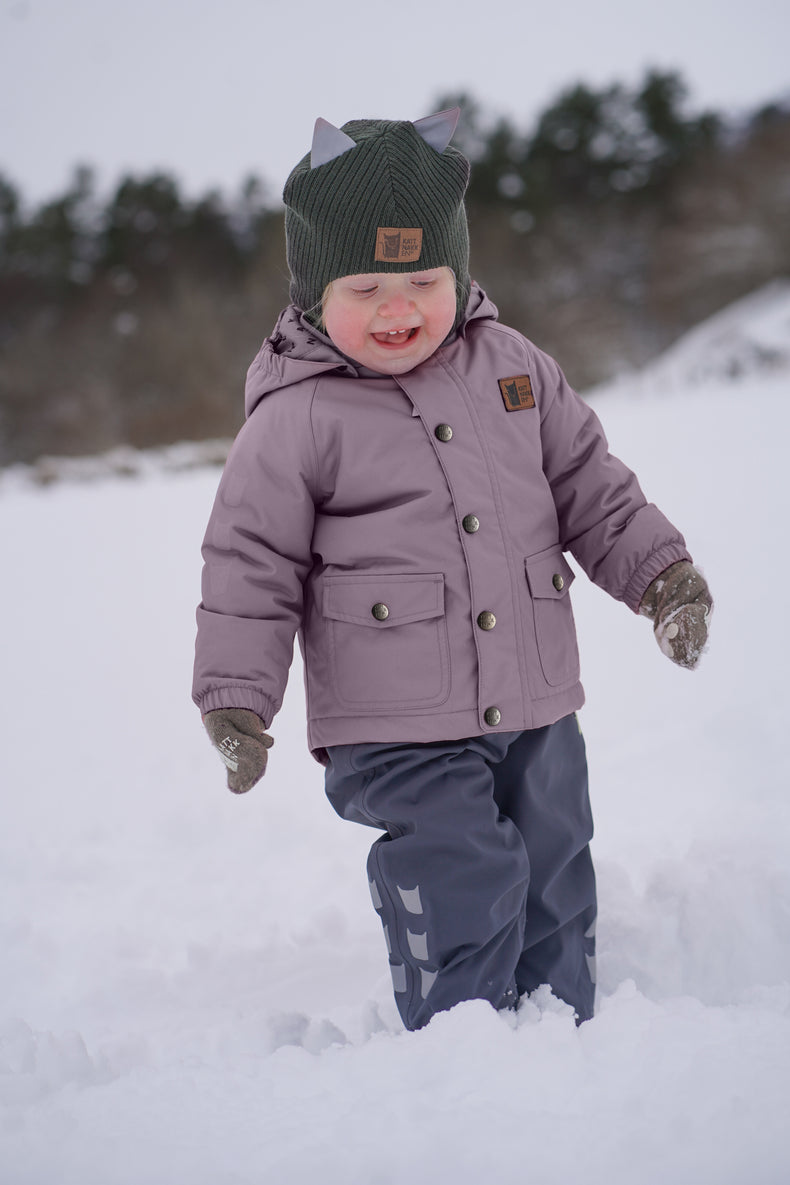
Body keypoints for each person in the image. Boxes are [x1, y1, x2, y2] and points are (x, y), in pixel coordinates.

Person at [192, 109, 712, 1031]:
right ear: (315, 292)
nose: (400, 311)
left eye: (424, 280)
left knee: (554, 860)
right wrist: (237, 698)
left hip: (537, 694)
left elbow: (592, 487)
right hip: (399, 717)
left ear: (460, 272)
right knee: (463, 870)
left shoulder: (516, 370)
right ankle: (462, 1042)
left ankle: (568, 1032)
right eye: (367, 288)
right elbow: (250, 561)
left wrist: (660, 575)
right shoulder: (296, 418)